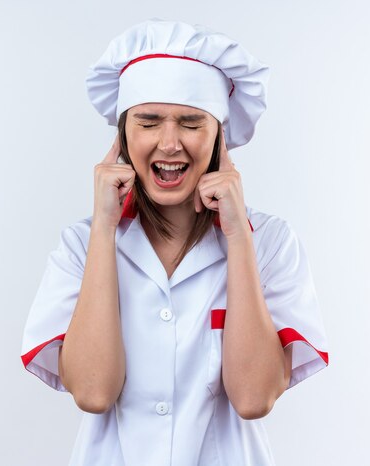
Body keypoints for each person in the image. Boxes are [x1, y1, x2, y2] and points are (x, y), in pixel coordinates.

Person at [21, 19, 329, 465]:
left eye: (191, 122)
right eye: (148, 122)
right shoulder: (81, 245)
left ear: (220, 135)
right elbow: (93, 390)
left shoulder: (270, 243)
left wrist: (238, 237)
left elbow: (253, 397)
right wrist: (105, 231)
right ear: (123, 136)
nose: (169, 143)